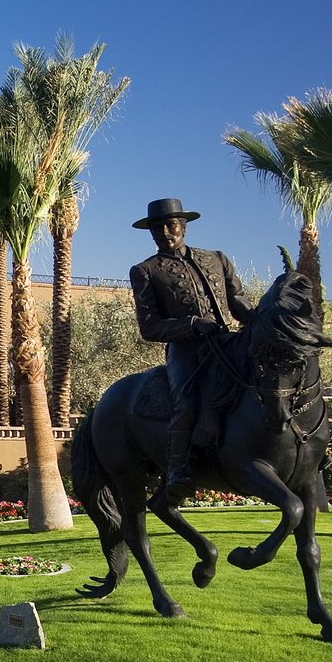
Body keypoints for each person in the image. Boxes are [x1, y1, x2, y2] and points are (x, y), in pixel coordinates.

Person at [128, 198, 257, 502]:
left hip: (227, 343)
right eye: (157, 227)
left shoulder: (217, 258)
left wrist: (261, 323)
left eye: (170, 225)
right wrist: (191, 324)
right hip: (187, 351)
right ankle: (177, 469)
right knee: (185, 402)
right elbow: (150, 327)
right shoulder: (146, 270)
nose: (164, 231)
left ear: (183, 227)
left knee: (271, 376)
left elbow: (240, 303)